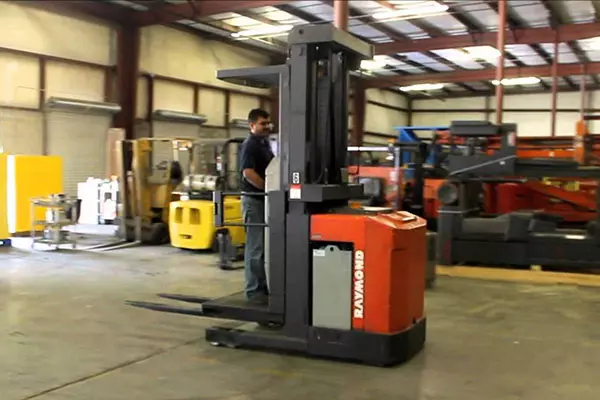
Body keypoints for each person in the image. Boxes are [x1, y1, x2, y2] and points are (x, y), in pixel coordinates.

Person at [238, 108, 274, 305]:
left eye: (268, 123)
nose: (267, 126)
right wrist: (267, 189)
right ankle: (253, 291)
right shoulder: (250, 144)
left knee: (263, 245)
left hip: (263, 200)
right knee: (256, 246)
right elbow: (248, 172)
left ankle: (262, 286)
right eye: (262, 123)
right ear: (252, 125)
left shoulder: (264, 143)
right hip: (254, 200)